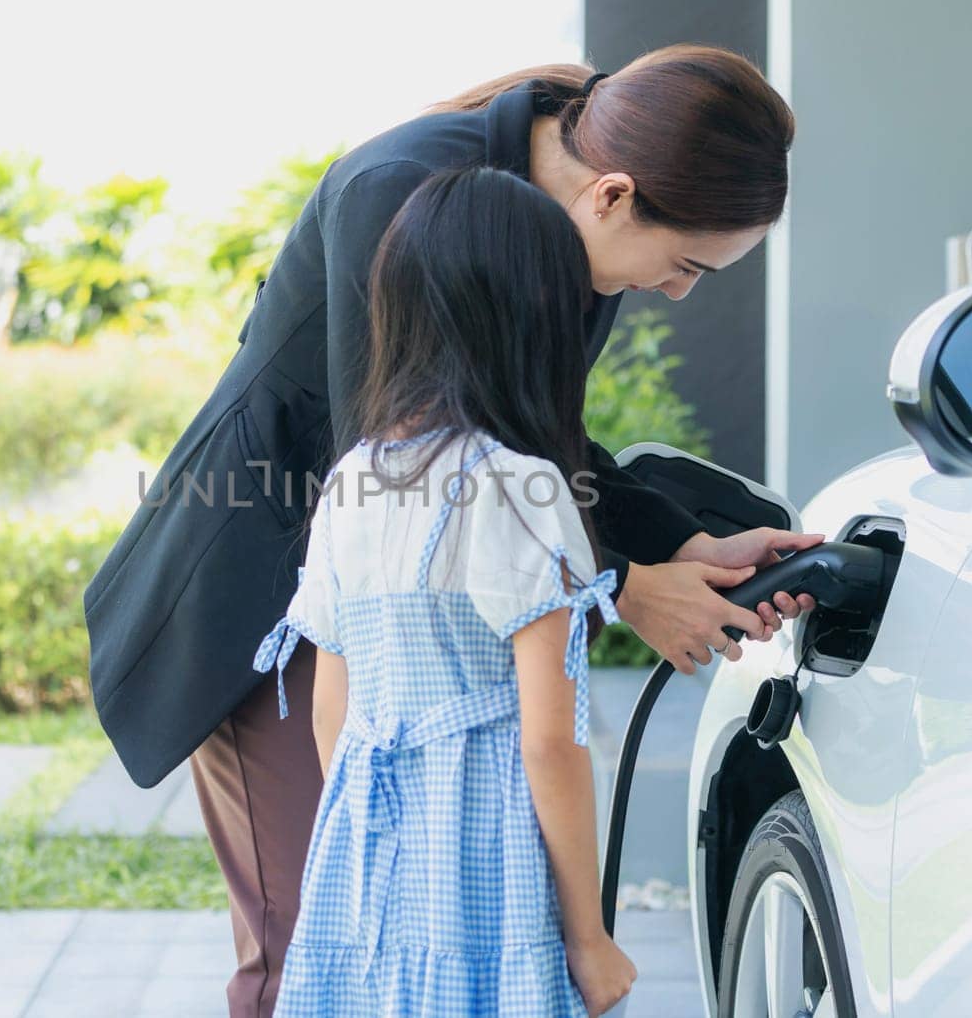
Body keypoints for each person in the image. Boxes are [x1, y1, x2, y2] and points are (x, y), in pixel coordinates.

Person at [80, 44, 820, 1017]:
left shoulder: (560, 241)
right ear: (610, 195)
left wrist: (679, 546)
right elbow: (410, 465)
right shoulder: (404, 186)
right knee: (315, 948)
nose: (680, 292)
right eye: (684, 263)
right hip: (275, 596)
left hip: (397, 604)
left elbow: (528, 436)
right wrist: (619, 584)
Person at [249, 163, 742, 1016]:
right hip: (484, 856)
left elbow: (335, 706)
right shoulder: (521, 488)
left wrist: (366, 836)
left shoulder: (352, 483)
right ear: (538, 317)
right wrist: (588, 938)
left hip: (364, 853)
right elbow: (551, 742)